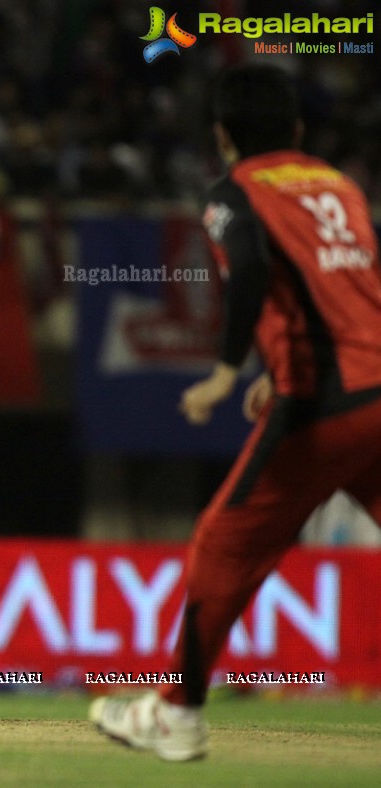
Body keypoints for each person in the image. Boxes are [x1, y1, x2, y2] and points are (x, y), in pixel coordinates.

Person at [90, 64, 381, 762]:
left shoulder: (234, 193)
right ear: (298, 129)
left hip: (327, 403)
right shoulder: (339, 186)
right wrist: (274, 368)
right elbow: (352, 290)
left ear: (223, 137)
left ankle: (177, 713)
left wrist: (225, 372)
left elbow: (248, 271)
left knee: (223, 543)